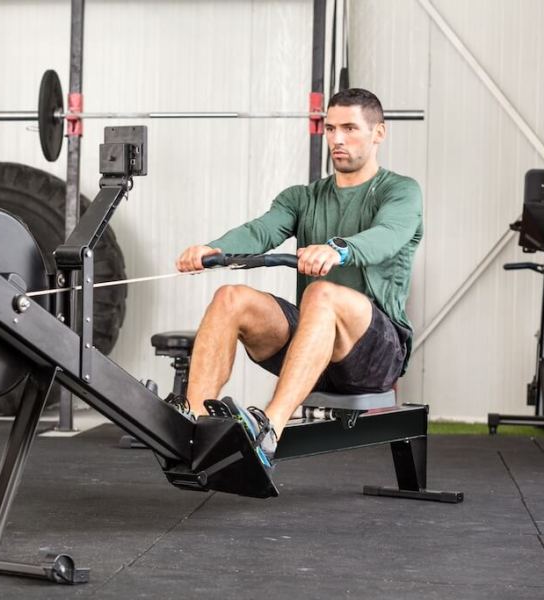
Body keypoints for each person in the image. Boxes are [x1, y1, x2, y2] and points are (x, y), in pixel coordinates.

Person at [175, 88, 422, 469]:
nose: (337, 139)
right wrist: (212, 249)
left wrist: (337, 249)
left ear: (379, 134)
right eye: (331, 128)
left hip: (375, 355)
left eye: (350, 128)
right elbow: (261, 232)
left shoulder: (400, 191)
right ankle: (191, 426)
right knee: (230, 297)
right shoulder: (302, 197)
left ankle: (270, 429)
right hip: (313, 349)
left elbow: (386, 237)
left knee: (322, 293)